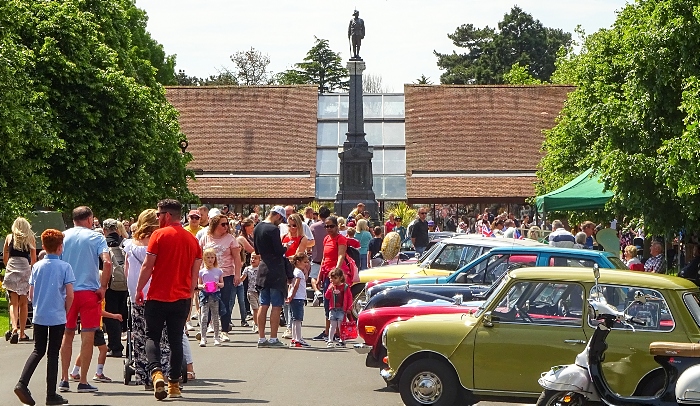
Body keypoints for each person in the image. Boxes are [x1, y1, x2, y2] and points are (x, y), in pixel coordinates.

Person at [135, 199, 202, 400]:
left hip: (157, 295)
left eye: (158, 215)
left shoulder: (158, 235)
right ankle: (174, 384)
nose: (157, 218)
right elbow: (194, 272)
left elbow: (148, 265)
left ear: (166, 215)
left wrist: (139, 289)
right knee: (175, 341)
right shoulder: (192, 240)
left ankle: (156, 373)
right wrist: (190, 298)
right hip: (181, 296)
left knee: (152, 337)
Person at [15, 229, 75, 406]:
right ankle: (51, 394)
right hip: (57, 315)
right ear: (59, 247)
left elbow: (31, 293)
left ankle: (22, 382)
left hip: (40, 314)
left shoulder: (37, 266)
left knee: (38, 350)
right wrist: (66, 309)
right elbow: (70, 294)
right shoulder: (65, 267)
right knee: (53, 353)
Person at [59, 206, 111, 394]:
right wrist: (103, 286)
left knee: (67, 334)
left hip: (69, 292)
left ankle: (64, 378)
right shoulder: (96, 237)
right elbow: (107, 261)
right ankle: (83, 380)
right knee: (88, 337)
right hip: (89, 292)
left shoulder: (63, 236)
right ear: (89, 219)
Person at [124, 209, 171, 391]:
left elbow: (127, 270)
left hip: (137, 295)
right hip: (157, 292)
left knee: (141, 335)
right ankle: (162, 370)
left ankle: (144, 374)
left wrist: (133, 290)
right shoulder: (158, 241)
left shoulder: (130, 244)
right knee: (161, 335)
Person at [199, 213, 242, 341]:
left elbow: (237, 257)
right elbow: (199, 256)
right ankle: (204, 330)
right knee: (206, 301)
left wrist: (237, 274)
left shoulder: (230, 238)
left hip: (225, 275)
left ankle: (224, 330)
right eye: (223, 224)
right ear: (215, 225)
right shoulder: (206, 238)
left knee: (224, 302)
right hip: (207, 275)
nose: (226, 226)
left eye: (227, 224)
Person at [254, 206, 290, 348]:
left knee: (263, 304)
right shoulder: (273, 229)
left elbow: (257, 250)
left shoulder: (257, 227)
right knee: (276, 305)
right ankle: (273, 338)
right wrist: (286, 246)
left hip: (263, 267)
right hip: (275, 269)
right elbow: (279, 250)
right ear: (277, 216)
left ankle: (261, 338)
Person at [313, 216, 347, 342]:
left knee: (337, 305)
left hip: (336, 277)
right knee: (327, 304)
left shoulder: (341, 239)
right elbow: (324, 258)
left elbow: (341, 255)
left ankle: (338, 333)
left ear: (337, 226)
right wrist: (320, 275)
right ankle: (328, 331)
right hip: (327, 274)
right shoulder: (326, 239)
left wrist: (336, 272)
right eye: (326, 226)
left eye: (331, 226)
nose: (329, 229)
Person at [3, 217, 37, 344]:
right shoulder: (30, 239)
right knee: (23, 303)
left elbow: (5, 256)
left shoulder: (9, 237)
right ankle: (22, 332)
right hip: (24, 268)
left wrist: (8, 267)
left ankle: (14, 329)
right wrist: (30, 270)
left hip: (12, 267)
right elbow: (33, 260)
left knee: (13, 303)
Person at [69, 310, 121, 383]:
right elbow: (99, 311)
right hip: (94, 326)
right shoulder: (97, 300)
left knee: (85, 350)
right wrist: (114, 316)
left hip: (90, 325)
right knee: (103, 349)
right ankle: (99, 373)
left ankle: (74, 372)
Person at [102, 218, 127, 358]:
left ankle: (115, 346)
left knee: (111, 314)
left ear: (104, 230)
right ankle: (126, 337)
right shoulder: (124, 243)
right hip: (124, 283)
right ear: (117, 230)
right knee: (122, 311)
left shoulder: (104, 244)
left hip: (110, 285)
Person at [197, 248, 224, 347]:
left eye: (212, 257)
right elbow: (198, 285)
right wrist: (202, 286)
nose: (210, 259)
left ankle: (216, 337)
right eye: (208, 257)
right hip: (205, 296)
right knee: (204, 317)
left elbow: (222, 284)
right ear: (204, 258)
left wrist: (218, 284)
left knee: (215, 317)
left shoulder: (218, 271)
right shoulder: (201, 272)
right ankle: (203, 337)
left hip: (215, 295)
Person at [324, 268, 352, 348]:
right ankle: (330, 340)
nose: (332, 280)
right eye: (331, 278)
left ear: (340, 277)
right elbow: (327, 296)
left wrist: (349, 308)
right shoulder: (331, 286)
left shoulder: (345, 287)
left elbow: (349, 298)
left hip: (341, 309)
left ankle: (342, 340)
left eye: (335, 278)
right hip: (333, 309)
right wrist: (329, 290)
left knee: (341, 326)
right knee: (332, 325)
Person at [287, 253, 310, 348]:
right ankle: (298, 339)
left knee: (294, 319)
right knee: (298, 319)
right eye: (305, 262)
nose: (306, 264)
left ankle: (294, 338)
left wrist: (289, 295)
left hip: (296, 298)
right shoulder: (299, 273)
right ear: (298, 262)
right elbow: (296, 285)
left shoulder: (296, 271)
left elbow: (291, 285)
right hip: (298, 298)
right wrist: (292, 296)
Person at [309, 207, 331, 306]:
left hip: (316, 255)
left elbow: (310, 241)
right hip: (328, 256)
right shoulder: (331, 226)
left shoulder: (313, 227)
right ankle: (324, 296)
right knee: (327, 278)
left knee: (314, 276)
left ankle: (317, 292)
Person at [242, 254, 261, 333]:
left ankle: (258, 323)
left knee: (260, 309)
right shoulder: (247, 269)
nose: (253, 260)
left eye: (256, 258)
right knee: (255, 309)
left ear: (260, 260)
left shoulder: (261, 269)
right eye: (252, 258)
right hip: (251, 291)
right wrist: (237, 281)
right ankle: (256, 325)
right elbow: (242, 278)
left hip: (260, 291)